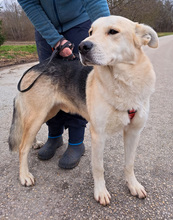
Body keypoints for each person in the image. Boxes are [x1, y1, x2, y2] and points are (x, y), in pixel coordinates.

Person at [17, 0, 110, 169]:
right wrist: (55, 40)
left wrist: (109, 33)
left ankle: (76, 141)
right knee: (48, 91)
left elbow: (94, 1)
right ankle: (54, 136)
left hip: (79, 23)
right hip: (45, 27)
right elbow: (29, 3)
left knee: (78, 86)